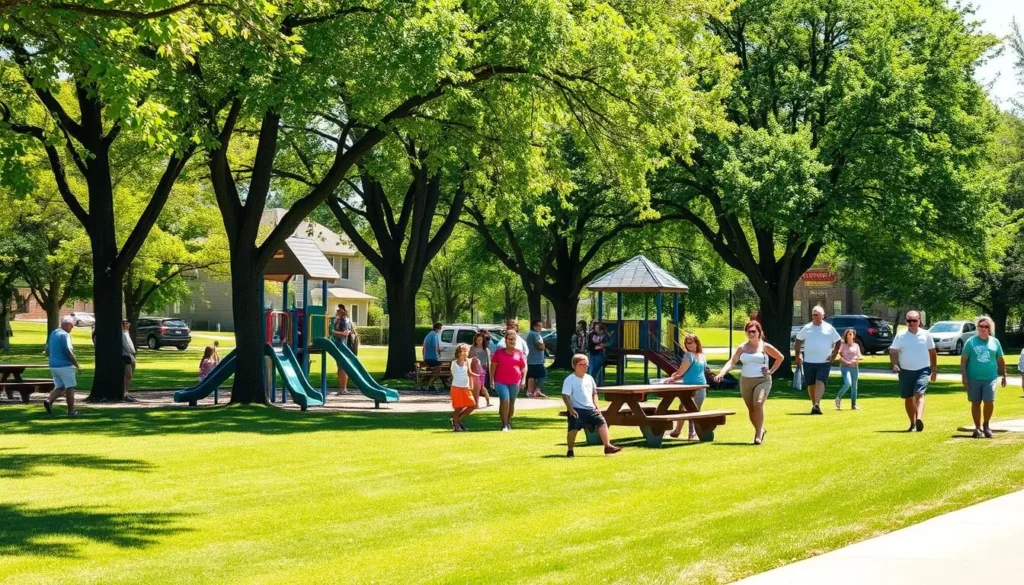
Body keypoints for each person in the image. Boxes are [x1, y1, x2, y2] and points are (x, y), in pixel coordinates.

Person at [713, 321, 783, 445]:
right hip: (746, 381)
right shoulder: (742, 347)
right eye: (748, 331)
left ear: (759, 332)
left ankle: (757, 435)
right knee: (751, 409)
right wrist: (721, 373)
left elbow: (780, 357)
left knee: (758, 404)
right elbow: (732, 362)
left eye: (753, 331)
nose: (750, 334)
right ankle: (760, 430)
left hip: (763, 380)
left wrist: (771, 371)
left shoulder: (765, 346)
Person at [562, 354, 622, 457]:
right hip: (577, 409)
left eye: (586, 365)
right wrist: (570, 409)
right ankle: (570, 450)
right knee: (573, 429)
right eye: (582, 365)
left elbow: (594, 393)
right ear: (574, 366)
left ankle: (607, 446)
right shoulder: (570, 380)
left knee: (602, 422)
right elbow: (565, 395)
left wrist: (596, 406)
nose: (585, 367)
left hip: (590, 408)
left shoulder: (589, 378)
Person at [889, 310, 937, 432]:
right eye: (909, 320)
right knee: (908, 397)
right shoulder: (901, 335)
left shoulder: (926, 334)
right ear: (906, 321)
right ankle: (912, 423)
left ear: (919, 321)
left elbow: (932, 352)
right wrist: (894, 364)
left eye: (914, 320)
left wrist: (934, 369)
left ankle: (919, 419)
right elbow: (893, 351)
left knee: (919, 394)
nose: (911, 323)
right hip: (905, 371)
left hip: (923, 370)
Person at [960, 316, 1007, 438]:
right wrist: (964, 376)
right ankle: (977, 428)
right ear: (977, 328)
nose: (983, 329)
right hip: (973, 377)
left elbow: (1000, 359)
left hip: (990, 377)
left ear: (989, 329)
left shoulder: (994, 342)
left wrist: (1004, 374)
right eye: (981, 326)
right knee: (975, 402)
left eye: (986, 327)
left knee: (989, 401)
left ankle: (986, 425)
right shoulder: (970, 342)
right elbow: (964, 361)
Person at [793, 305, 841, 415]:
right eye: (813, 314)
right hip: (809, 361)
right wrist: (798, 354)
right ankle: (814, 404)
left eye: (816, 314)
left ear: (822, 316)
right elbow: (798, 340)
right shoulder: (807, 328)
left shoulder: (829, 328)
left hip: (824, 362)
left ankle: (817, 404)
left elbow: (838, 341)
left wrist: (834, 354)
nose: (814, 316)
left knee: (820, 381)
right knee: (810, 384)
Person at [664, 333, 708, 441]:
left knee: (688, 409)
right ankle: (678, 431)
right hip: (702, 386)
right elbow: (690, 371)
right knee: (690, 409)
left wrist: (673, 378)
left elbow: (682, 370)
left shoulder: (688, 355)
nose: (687, 344)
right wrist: (677, 375)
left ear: (696, 342)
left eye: (690, 342)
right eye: (686, 342)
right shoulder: (702, 355)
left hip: (690, 387)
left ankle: (690, 433)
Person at [42, 315, 83, 416]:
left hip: (53, 365)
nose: (72, 329)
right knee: (70, 387)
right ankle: (71, 411)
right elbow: (68, 351)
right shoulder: (65, 335)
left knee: (60, 386)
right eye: (72, 326)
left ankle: (48, 401)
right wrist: (77, 365)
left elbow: (47, 349)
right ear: (68, 325)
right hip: (65, 366)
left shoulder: (53, 333)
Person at [490, 330, 527, 431]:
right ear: (505, 340)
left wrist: (523, 380)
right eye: (510, 339)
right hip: (500, 381)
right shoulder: (498, 353)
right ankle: (504, 424)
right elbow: (492, 367)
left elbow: (524, 367)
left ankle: (508, 420)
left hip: (515, 382)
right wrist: (491, 380)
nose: (512, 341)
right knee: (505, 399)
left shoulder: (519, 353)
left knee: (511, 402)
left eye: (514, 339)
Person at [449, 344, 476, 431]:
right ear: (459, 353)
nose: (465, 353)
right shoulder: (454, 363)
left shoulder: (467, 362)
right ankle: (456, 426)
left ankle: (456, 420)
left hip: (465, 387)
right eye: (463, 351)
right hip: (456, 387)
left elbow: (469, 373)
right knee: (458, 407)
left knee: (472, 405)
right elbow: (453, 375)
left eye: (466, 351)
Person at [834, 328, 862, 410]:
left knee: (854, 387)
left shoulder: (856, 346)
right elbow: (838, 356)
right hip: (845, 367)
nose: (850, 334)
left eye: (851, 333)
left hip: (854, 367)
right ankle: (838, 398)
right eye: (848, 333)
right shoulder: (843, 345)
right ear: (846, 335)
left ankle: (853, 405)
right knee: (847, 383)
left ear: (854, 335)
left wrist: (856, 359)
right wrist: (846, 362)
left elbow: (859, 355)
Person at [331, 304, 353, 395]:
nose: (337, 312)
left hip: (343, 346)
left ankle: (344, 389)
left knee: (343, 367)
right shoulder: (337, 320)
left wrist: (333, 332)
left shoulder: (345, 321)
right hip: (338, 345)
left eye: (338, 311)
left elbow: (345, 334)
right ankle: (342, 388)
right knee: (340, 367)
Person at [525, 320, 547, 398]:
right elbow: (540, 347)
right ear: (535, 326)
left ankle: (531, 392)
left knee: (532, 376)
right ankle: (536, 390)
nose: (541, 327)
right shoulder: (534, 334)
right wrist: (544, 345)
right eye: (540, 326)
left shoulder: (531, 334)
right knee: (543, 375)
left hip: (532, 359)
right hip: (535, 360)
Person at [470, 332, 492, 408]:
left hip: (483, 370)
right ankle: (476, 403)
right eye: (477, 340)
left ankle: (487, 401)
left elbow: (489, 361)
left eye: (480, 340)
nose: (478, 342)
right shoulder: (472, 348)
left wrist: (490, 372)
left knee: (481, 387)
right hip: (475, 369)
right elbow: (470, 359)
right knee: (477, 387)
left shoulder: (486, 350)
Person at [422, 322, 443, 392]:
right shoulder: (434, 335)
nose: (440, 330)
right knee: (438, 370)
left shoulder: (429, 335)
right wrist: (440, 350)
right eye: (440, 328)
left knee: (432, 370)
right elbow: (435, 346)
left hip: (427, 357)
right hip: (432, 357)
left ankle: (429, 384)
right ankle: (430, 385)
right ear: (438, 328)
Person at [121, 319, 137, 402]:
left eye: (128, 323)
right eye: (127, 323)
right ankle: (125, 392)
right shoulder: (122, 334)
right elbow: (125, 345)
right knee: (128, 374)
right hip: (126, 356)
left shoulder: (127, 333)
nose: (129, 325)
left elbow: (130, 343)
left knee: (130, 375)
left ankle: (127, 391)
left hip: (131, 355)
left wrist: (133, 352)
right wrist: (131, 351)